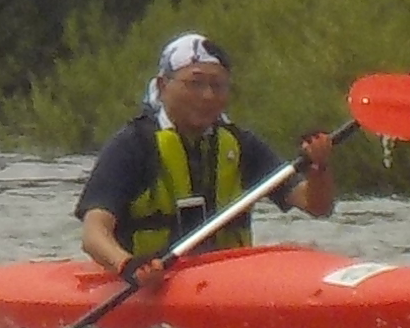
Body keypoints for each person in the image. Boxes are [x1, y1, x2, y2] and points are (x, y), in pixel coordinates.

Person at [76, 33, 336, 276]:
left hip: (226, 278)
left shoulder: (240, 143)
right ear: (163, 85)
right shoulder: (133, 145)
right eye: (195, 83)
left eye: (218, 85)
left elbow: (317, 207)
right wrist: (127, 266)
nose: (208, 96)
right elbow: (93, 233)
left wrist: (319, 169)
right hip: (149, 281)